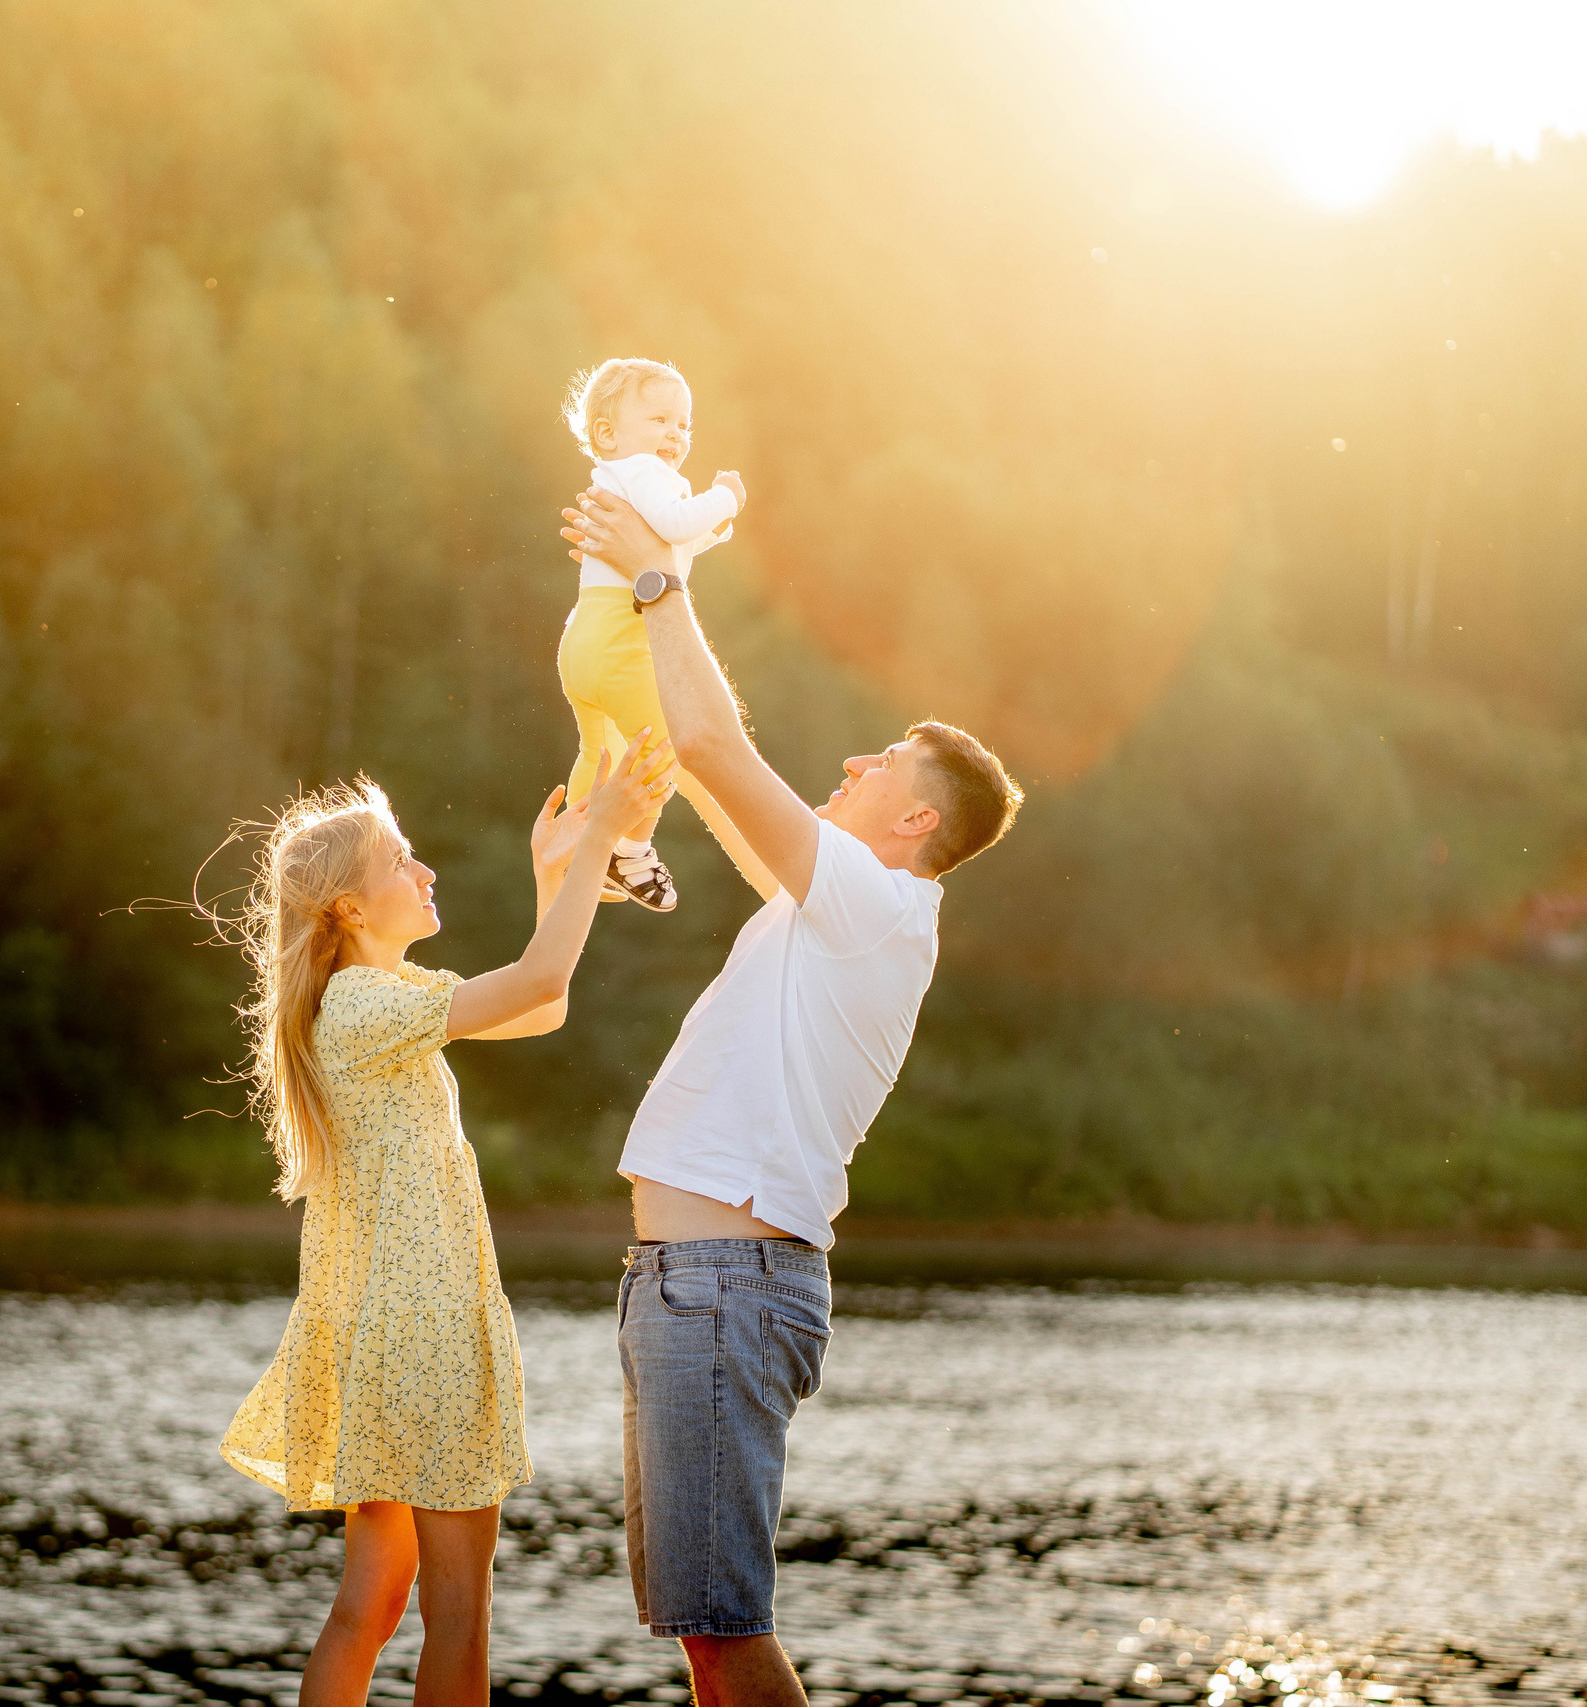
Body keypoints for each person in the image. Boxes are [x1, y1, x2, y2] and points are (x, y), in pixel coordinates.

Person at [560, 489, 1023, 1707]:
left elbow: (723, 755)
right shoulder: (830, 907)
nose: (850, 764)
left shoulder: (878, 906)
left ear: (914, 821)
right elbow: (711, 768)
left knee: (723, 1625)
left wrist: (663, 580)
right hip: (691, 1282)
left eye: (878, 763)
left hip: (726, 1285)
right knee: (702, 1628)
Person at [216, 736, 672, 1707]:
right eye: (399, 862)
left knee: (372, 1602)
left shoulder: (371, 1000)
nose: (424, 872)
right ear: (347, 906)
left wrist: (558, 872)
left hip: (383, 1333)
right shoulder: (365, 1008)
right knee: (459, 1610)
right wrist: (595, 841)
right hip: (423, 1334)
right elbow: (543, 984)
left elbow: (534, 1008)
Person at [558, 358, 748, 913]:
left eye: (684, 425)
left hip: (585, 635)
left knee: (600, 750)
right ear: (607, 433)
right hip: (624, 638)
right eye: (660, 419)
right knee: (665, 749)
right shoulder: (648, 473)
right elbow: (671, 527)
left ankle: (577, 837)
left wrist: (706, 533)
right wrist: (725, 499)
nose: (674, 434)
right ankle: (632, 852)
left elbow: (665, 547)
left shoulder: (615, 478)